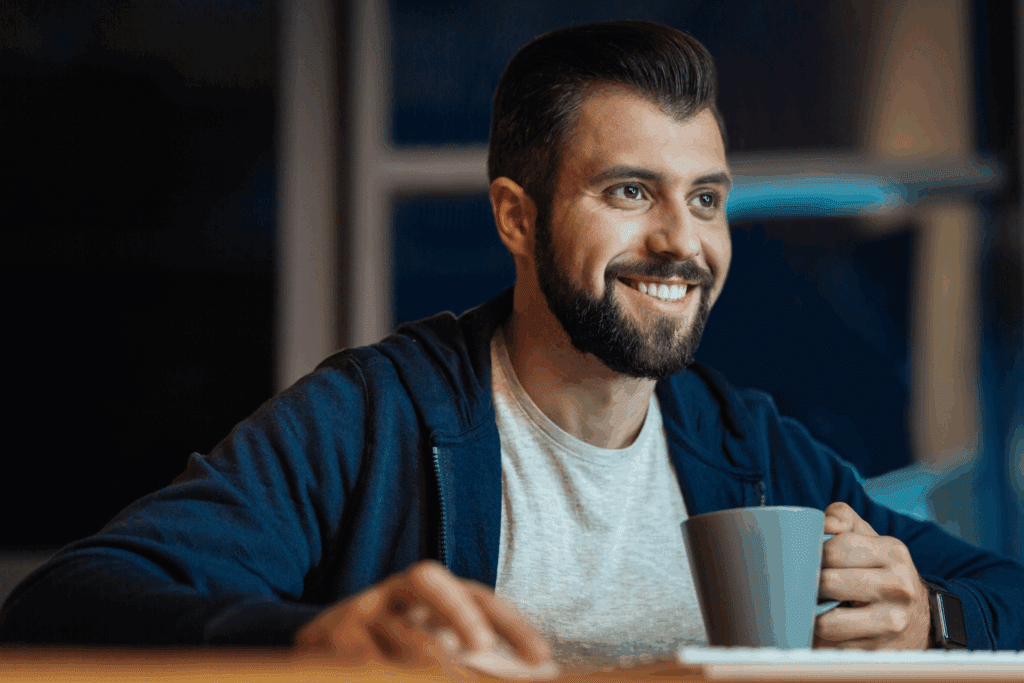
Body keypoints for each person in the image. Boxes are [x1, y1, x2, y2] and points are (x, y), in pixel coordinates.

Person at [2, 20, 1022, 668]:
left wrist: (929, 616)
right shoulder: (375, 416)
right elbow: (64, 602)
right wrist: (310, 639)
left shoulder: (749, 447)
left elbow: (1006, 591)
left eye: (704, 198)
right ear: (516, 217)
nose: (681, 240)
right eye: (630, 191)